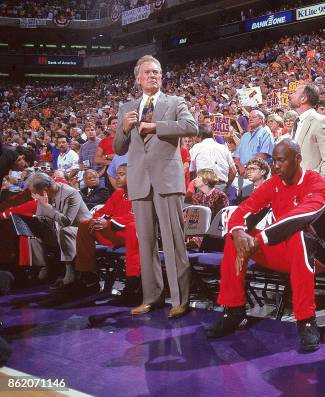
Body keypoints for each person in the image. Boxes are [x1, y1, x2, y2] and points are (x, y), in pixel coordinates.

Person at [207, 140, 325, 352]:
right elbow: (243, 211)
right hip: (285, 253)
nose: (275, 166)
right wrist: (239, 232)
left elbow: (301, 217)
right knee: (236, 239)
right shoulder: (273, 183)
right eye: (274, 160)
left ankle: (306, 320)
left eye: (281, 160)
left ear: (297, 159)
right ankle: (233, 311)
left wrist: (258, 240)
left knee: (299, 236)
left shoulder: (317, 183)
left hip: (320, 255)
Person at [114, 54, 198, 319]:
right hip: (140, 182)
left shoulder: (175, 102)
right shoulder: (126, 107)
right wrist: (125, 129)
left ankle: (180, 300)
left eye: (157, 72)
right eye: (148, 72)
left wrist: (156, 126)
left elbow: (191, 126)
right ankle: (151, 297)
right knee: (146, 243)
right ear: (138, 78)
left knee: (174, 243)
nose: (154, 76)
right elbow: (118, 148)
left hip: (167, 181)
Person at [72, 164, 141, 304]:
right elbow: (102, 212)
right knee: (85, 225)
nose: (117, 177)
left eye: (122, 174)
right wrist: (98, 220)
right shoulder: (119, 193)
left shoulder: (141, 194)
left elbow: (136, 217)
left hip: (132, 235)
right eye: (117, 174)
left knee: (133, 228)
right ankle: (89, 278)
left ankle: (132, 285)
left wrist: (108, 223)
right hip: (116, 234)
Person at [26, 172, 91, 288]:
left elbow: (66, 221)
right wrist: (34, 223)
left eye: (34, 192)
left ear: (45, 189)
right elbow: (41, 218)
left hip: (81, 230)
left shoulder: (70, 193)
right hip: (58, 228)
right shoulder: (43, 196)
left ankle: (70, 270)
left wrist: (47, 207)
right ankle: (44, 267)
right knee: (33, 234)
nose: (34, 195)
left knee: (64, 230)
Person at [289, 83, 325, 179]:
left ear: (303, 99)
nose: (290, 95)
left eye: (294, 93)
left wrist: (315, 184)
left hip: (311, 187)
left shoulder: (320, 121)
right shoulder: (297, 122)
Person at [188, 124, 236, 191]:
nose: (194, 138)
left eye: (195, 136)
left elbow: (191, 170)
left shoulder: (196, 147)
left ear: (200, 136)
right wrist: (226, 185)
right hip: (221, 186)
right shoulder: (224, 148)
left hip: (203, 186)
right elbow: (233, 171)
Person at [233, 110, 274, 176]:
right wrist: (240, 168)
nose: (250, 119)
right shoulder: (245, 136)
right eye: (249, 117)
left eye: (254, 117)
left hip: (259, 174)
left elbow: (263, 155)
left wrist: (246, 167)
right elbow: (237, 156)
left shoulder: (266, 134)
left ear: (261, 120)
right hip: (242, 174)